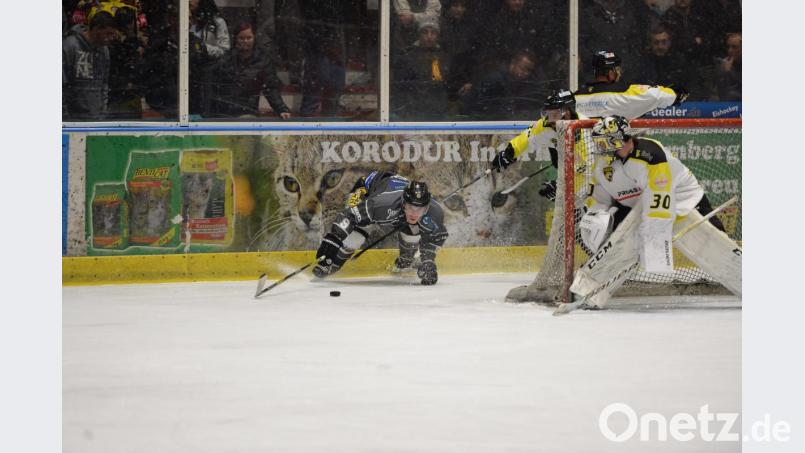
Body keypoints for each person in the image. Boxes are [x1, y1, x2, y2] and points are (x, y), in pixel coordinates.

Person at [567, 116, 740, 309]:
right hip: (637, 207)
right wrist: (596, 217)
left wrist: (653, 242)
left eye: (604, 142)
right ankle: (588, 292)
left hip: (684, 201)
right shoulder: (602, 164)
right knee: (617, 246)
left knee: (718, 248)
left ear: (619, 139)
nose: (600, 147)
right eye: (598, 142)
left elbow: (659, 199)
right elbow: (601, 199)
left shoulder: (651, 155)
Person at [313, 172, 448, 286]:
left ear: (427, 207)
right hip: (366, 189)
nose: (414, 213)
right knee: (355, 237)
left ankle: (406, 260)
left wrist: (428, 261)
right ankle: (330, 264)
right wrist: (334, 238)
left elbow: (434, 237)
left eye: (420, 209)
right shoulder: (383, 204)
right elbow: (348, 216)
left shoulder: (435, 212)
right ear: (403, 203)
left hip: (391, 192)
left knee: (415, 229)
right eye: (410, 207)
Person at [491, 88, 582, 200]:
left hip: (593, 183)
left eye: (555, 114)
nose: (550, 119)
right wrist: (509, 153)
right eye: (548, 113)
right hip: (572, 172)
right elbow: (527, 138)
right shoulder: (545, 125)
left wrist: (564, 185)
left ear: (567, 112)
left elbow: (587, 167)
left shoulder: (584, 129)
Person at [574, 50, 688, 119]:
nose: (619, 73)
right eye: (617, 70)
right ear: (611, 73)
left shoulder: (576, 97)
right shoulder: (625, 92)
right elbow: (657, 95)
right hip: (615, 150)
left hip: (582, 151)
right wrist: (676, 94)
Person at [211, 23, 292, 118]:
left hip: (248, 111)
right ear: (236, 39)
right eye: (241, 38)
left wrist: (281, 109)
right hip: (224, 113)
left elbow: (270, 88)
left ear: (254, 38)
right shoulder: (226, 60)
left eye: (249, 38)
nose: (245, 41)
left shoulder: (263, 61)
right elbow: (215, 87)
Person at [63, 9, 118, 120]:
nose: (111, 38)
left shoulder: (104, 51)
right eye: (108, 33)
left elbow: (104, 84)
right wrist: (65, 116)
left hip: (96, 118)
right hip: (72, 118)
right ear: (96, 29)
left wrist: (103, 111)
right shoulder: (70, 46)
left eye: (112, 34)